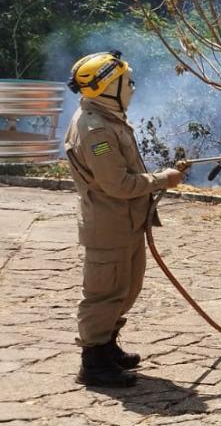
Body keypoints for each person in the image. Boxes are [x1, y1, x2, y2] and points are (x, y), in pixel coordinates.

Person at [63, 51, 183, 389]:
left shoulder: (108, 118)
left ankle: (107, 346)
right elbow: (116, 184)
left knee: (126, 288)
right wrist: (162, 179)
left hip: (125, 222)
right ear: (106, 88)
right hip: (109, 224)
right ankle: (94, 362)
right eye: (126, 82)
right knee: (105, 293)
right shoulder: (96, 130)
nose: (132, 87)